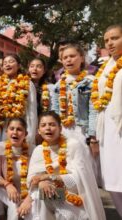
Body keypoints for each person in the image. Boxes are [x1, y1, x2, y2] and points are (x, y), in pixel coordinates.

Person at [28, 111, 105, 220]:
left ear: (60, 128)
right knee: (41, 194)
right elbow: (31, 180)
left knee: (46, 195)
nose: (48, 128)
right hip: (48, 194)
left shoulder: (73, 145)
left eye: (52, 124)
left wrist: (49, 177)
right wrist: (41, 182)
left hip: (75, 196)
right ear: (39, 131)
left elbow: (79, 178)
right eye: (43, 125)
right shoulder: (38, 150)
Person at [92, 24, 122, 217]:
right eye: (106, 40)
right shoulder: (105, 67)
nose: (110, 43)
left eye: (115, 38)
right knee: (112, 178)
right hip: (108, 128)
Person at [0, 118, 33, 220]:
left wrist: (28, 198)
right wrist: (8, 185)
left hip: (28, 193)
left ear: (26, 133)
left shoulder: (32, 149)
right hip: (7, 190)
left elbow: (37, 177)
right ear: (6, 131)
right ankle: (1, 216)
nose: (15, 132)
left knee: (15, 204)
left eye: (19, 129)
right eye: (12, 128)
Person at [51, 44, 97, 144]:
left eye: (72, 56)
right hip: (63, 130)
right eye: (65, 58)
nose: (68, 60)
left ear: (81, 58)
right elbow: (54, 111)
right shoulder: (58, 86)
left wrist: (92, 136)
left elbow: (93, 110)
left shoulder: (90, 82)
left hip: (83, 131)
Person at [0, 54, 38, 147]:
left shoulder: (27, 83)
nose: (7, 65)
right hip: (3, 127)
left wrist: (31, 133)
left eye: (11, 62)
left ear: (19, 65)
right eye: (5, 63)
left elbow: (32, 111)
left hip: (20, 127)